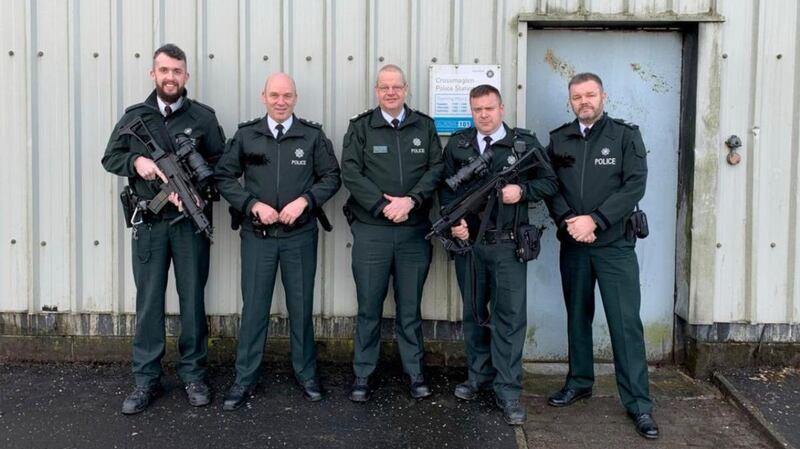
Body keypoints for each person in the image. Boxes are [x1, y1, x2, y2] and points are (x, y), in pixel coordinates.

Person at [101, 43, 225, 414]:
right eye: (164, 70)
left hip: (188, 225)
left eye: (177, 71)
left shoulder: (203, 118)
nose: (170, 77)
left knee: (192, 301)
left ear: (186, 76)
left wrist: (195, 189)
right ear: (152, 74)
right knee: (149, 303)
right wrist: (137, 161)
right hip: (151, 225)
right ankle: (145, 380)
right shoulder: (134, 117)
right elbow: (111, 157)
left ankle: (193, 374)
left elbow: (222, 164)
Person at [215, 73, 341, 410]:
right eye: (274, 95)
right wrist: (251, 205)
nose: (281, 101)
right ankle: (245, 378)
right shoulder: (246, 135)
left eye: (287, 95)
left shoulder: (311, 136)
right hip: (259, 238)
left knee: (301, 309)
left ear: (295, 98)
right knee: (254, 309)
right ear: (263, 97)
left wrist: (306, 201)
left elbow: (332, 176)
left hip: (299, 236)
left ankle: (306, 373)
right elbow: (224, 176)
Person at [545, 72, 658, 439]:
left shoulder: (625, 136)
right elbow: (550, 186)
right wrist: (568, 221)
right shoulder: (559, 138)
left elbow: (635, 184)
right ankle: (579, 381)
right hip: (574, 245)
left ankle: (638, 404)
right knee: (577, 315)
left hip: (614, 246)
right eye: (577, 97)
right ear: (570, 101)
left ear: (603, 96)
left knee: (625, 324)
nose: (584, 102)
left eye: (590, 95)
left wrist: (596, 220)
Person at [439, 84, 557, 425]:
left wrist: (522, 191)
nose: (484, 115)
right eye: (477, 109)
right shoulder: (459, 145)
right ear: (471, 111)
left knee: (508, 318)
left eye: (489, 108)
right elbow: (446, 193)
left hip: (507, 245)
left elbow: (549, 183)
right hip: (470, 246)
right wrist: (455, 225)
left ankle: (507, 390)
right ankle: (478, 377)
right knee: (474, 314)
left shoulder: (522, 144)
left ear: (501, 108)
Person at [341, 64, 443, 402]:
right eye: (384, 87)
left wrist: (411, 201)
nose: (390, 92)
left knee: (410, 308)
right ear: (376, 90)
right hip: (373, 232)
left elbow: (436, 169)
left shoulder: (424, 126)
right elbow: (351, 173)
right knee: (369, 307)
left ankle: (415, 374)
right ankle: (363, 374)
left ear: (406, 88)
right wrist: (383, 206)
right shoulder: (361, 128)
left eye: (396, 87)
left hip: (414, 233)